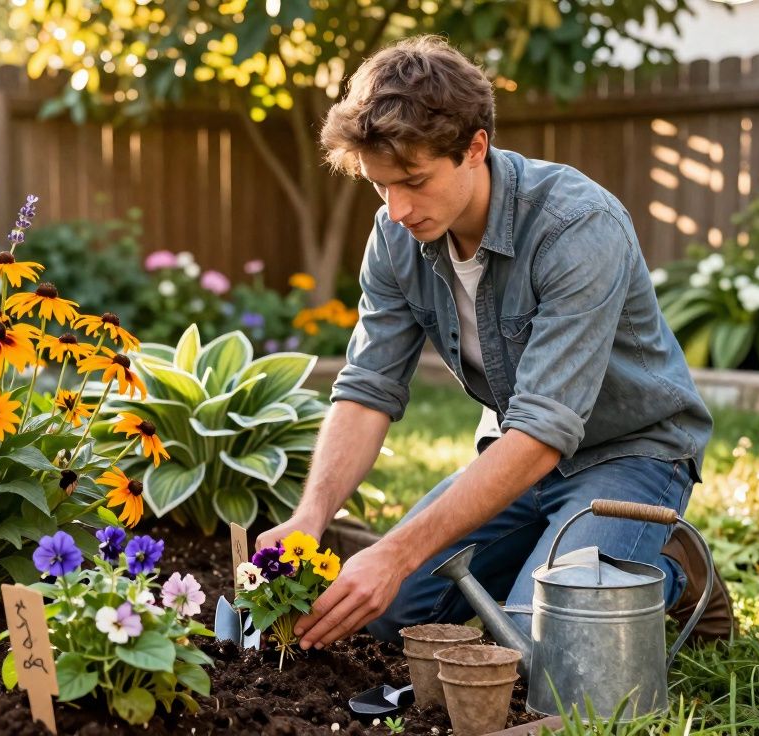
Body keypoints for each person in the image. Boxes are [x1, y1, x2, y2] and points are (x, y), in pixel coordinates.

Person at [254, 35, 733, 651]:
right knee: (387, 615)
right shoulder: (396, 235)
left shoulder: (577, 226)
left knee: (537, 642)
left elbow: (543, 431)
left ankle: (673, 567)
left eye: (415, 181)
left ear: (475, 147)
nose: (397, 208)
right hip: (516, 456)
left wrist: (396, 551)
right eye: (380, 186)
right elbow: (368, 389)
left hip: (628, 453)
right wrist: (311, 517)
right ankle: (548, 558)